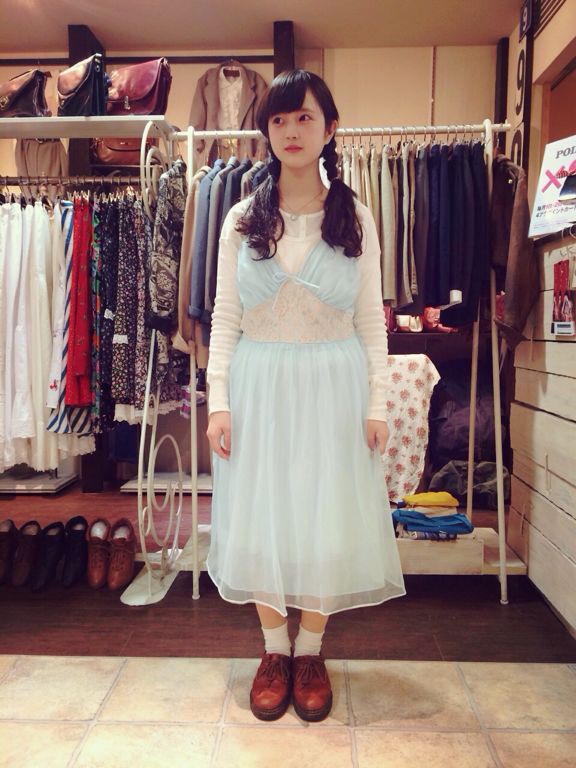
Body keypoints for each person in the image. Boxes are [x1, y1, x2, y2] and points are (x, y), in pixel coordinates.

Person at [206, 69, 405, 723]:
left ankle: (311, 651)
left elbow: (371, 319)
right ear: (266, 130)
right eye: (279, 119)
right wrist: (218, 401)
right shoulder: (241, 218)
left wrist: (377, 403)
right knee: (261, 511)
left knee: (326, 514)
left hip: (333, 383)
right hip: (259, 382)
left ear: (330, 128)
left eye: (305, 117)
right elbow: (225, 315)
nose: (291, 131)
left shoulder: (355, 217)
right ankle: (273, 650)